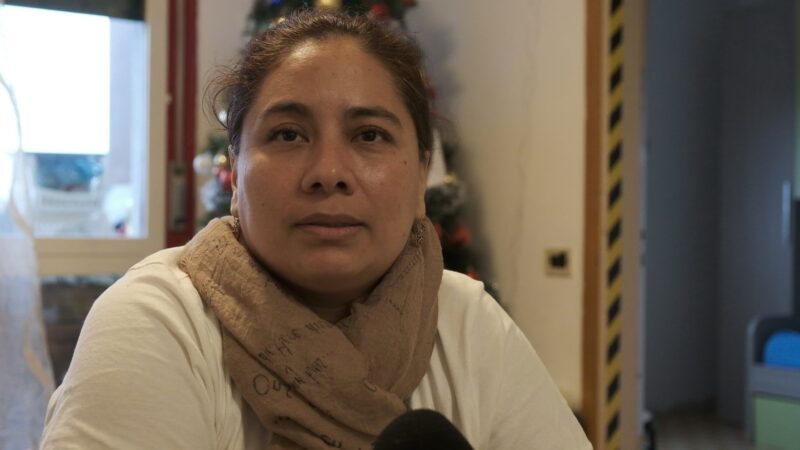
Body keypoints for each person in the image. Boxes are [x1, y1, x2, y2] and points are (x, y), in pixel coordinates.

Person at [40, 10, 591, 450]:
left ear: (422, 175)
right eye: (287, 134)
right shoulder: (159, 321)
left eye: (370, 135)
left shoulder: (470, 321)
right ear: (235, 174)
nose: (329, 172)